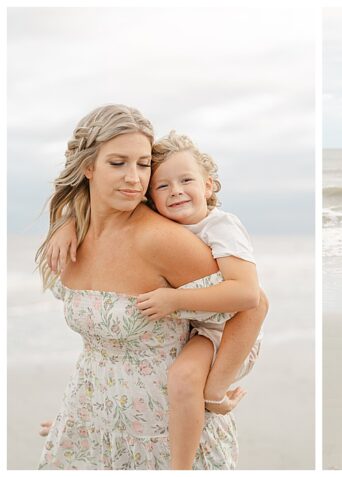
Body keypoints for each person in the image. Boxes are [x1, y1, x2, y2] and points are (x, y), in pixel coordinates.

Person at [34, 104, 260, 469]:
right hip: (90, 424)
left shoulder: (161, 240)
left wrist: (214, 391)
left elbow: (253, 304)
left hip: (162, 441)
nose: (134, 178)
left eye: (142, 165)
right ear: (87, 166)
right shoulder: (71, 237)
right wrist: (66, 220)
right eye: (118, 163)